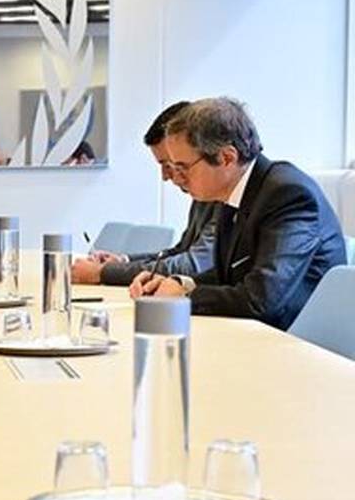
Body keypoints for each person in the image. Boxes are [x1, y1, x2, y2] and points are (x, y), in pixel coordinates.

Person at [130, 97, 346, 330]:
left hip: (297, 340)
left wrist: (184, 297)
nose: (175, 178)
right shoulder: (232, 192)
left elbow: (261, 299)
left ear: (227, 158)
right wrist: (177, 284)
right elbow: (230, 276)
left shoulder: (288, 194)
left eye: (182, 167)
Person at [73, 102, 219, 286]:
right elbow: (181, 251)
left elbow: (192, 264)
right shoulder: (204, 195)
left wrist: (102, 273)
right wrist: (123, 261)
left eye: (173, 164)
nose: (165, 176)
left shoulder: (225, 198)